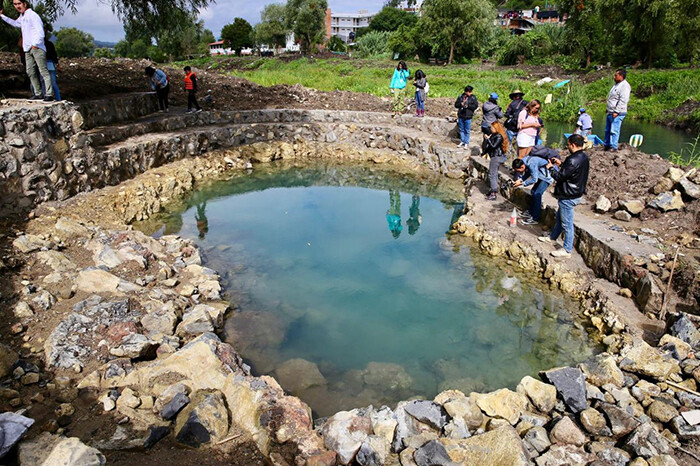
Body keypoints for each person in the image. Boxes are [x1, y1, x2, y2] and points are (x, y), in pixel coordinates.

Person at [538, 134, 589, 258]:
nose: (567, 146)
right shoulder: (583, 157)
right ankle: (552, 238)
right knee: (560, 219)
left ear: (572, 144)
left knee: (567, 224)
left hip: (568, 195)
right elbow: (571, 171)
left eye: (568, 144)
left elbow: (559, 177)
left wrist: (551, 168)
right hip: (575, 192)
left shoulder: (573, 159)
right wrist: (561, 164)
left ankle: (567, 250)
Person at [1, 0, 54, 102]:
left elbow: (40, 32)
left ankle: (49, 94)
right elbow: (16, 24)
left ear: (24, 3)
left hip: (36, 47)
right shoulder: (23, 16)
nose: (17, 6)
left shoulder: (33, 15)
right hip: (27, 48)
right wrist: (2, 16)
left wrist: (35, 44)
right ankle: (38, 93)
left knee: (43, 71)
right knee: (30, 71)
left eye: (19, 4)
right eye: (15, 4)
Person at [511, 153, 557, 225]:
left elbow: (534, 179)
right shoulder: (524, 161)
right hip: (540, 175)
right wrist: (520, 180)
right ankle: (531, 212)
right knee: (533, 192)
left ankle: (535, 218)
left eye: (518, 170)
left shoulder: (531, 164)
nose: (518, 172)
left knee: (537, 194)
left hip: (547, 178)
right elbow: (527, 173)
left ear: (522, 166)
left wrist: (522, 183)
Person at [604, 69, 631, 152]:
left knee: (614, 130)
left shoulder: (624, 86)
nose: (614, 77)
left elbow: (623, 100)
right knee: (607, 130)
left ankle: (613, 146)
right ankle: (607, 144)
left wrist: (617, 111)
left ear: (621, 76)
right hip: (610, 111)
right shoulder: (616, 85)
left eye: (616, 75)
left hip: (618, 112)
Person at [482, 121, 509, 201]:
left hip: (496, 157)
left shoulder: (499, 137)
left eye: (492, 128)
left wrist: (488, 139)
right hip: (494, 156)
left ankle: (493, 193)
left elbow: (493, 146)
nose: (491, 129)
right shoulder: (494, 135)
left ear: (496, 128)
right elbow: (488, 147)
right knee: (494, 174)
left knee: (492, 174)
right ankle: (492, 190)